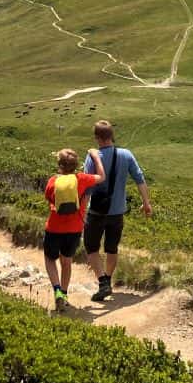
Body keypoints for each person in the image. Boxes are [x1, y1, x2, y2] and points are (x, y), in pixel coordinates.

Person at [84, 120, 152, 301]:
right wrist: (146, 203)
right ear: (112, 136)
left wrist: (80, 210)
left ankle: (102, 282)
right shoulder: (126, 154)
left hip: (96, 212)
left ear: (97, 138)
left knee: (91, 248)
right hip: (117, 211)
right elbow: (139, 178)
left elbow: (88, 186)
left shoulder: (93, 157)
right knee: (112, 247)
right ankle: (108, 278)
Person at [43, 147, 105, 311]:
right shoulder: (82, 179)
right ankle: (64, 293)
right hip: (74, 229)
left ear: (59, 165)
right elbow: (101, 177)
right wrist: (95, 157)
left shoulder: (52, 181)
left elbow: (49, 199)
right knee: (67, 262)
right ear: (76, 165)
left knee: (50, 259)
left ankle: (56, 291)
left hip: (54, 228)